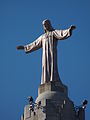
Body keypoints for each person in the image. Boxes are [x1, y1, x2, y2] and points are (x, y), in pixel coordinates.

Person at [17, 19, 76, 84]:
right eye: (44, 25)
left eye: (46, 24)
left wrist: (69, 30)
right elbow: (35, 44)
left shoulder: (54, 32)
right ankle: (45, 81)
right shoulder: (43, 37)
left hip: (52, 53)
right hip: (45, 54)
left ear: (49, 25)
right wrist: (24, 47)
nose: (45, 26)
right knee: (45, 66)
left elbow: (61, 33)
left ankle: (54, 79)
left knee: (52, 64)